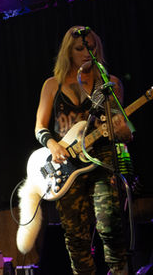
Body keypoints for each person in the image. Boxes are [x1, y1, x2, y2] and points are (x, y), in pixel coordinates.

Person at [33, 26, 132, 275]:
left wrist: (122, 130)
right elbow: (40, 127)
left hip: (102, 160)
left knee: (110, 225)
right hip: (68, 165)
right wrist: (53, 145)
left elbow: (123, 131)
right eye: (80, 49)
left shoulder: (110, 84)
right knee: (75, 235)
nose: (87, 53)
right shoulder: (52, 85)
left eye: (92, 47)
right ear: (69, 52)